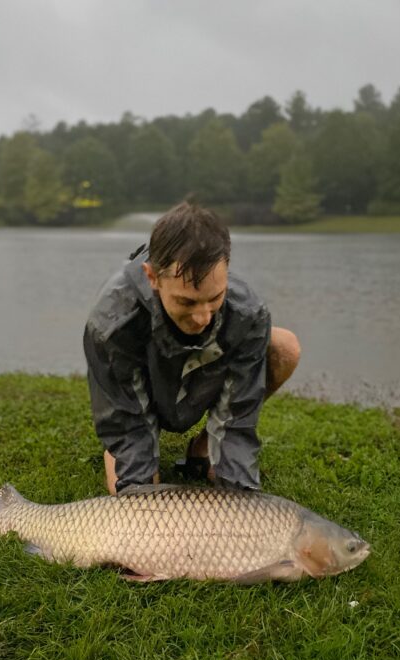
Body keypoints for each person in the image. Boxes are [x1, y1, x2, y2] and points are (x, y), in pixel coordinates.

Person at [83, 201, 300, 495]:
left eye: (215, 297)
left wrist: (239, 493)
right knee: (136, 496)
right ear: (152, 277)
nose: (202, 317)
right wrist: (140, 483)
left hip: (197, 386)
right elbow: (126, 426)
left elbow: (238, 415)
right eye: (186, 301)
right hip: (140, 402)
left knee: (284, 345)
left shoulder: (248, 314)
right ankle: (139, 455)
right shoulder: (111, 322)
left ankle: (204, 446)